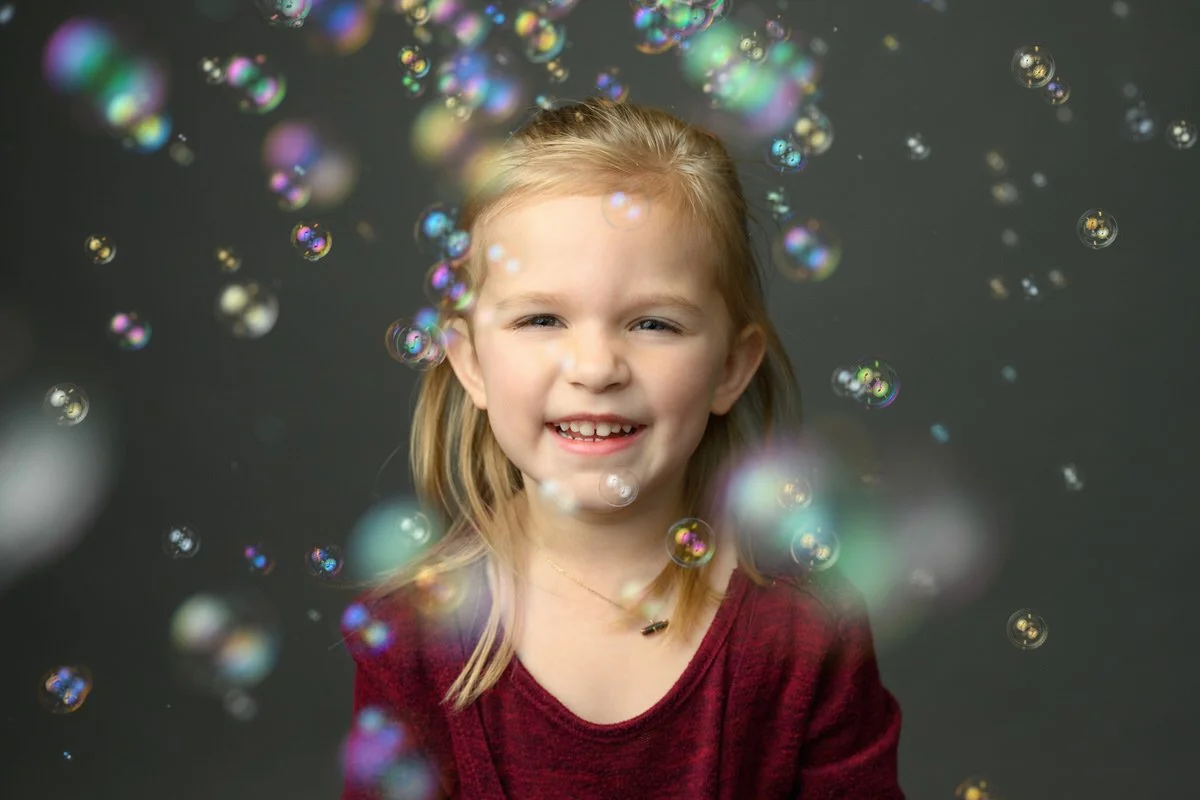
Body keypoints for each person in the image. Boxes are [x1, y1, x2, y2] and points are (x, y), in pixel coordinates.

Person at [341, 98, 904, 799]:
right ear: (471, 364)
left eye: (653, 323)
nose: (596, 366)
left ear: (731, 366)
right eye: (541, 318)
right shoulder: (416, 635)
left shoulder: (803, 627)